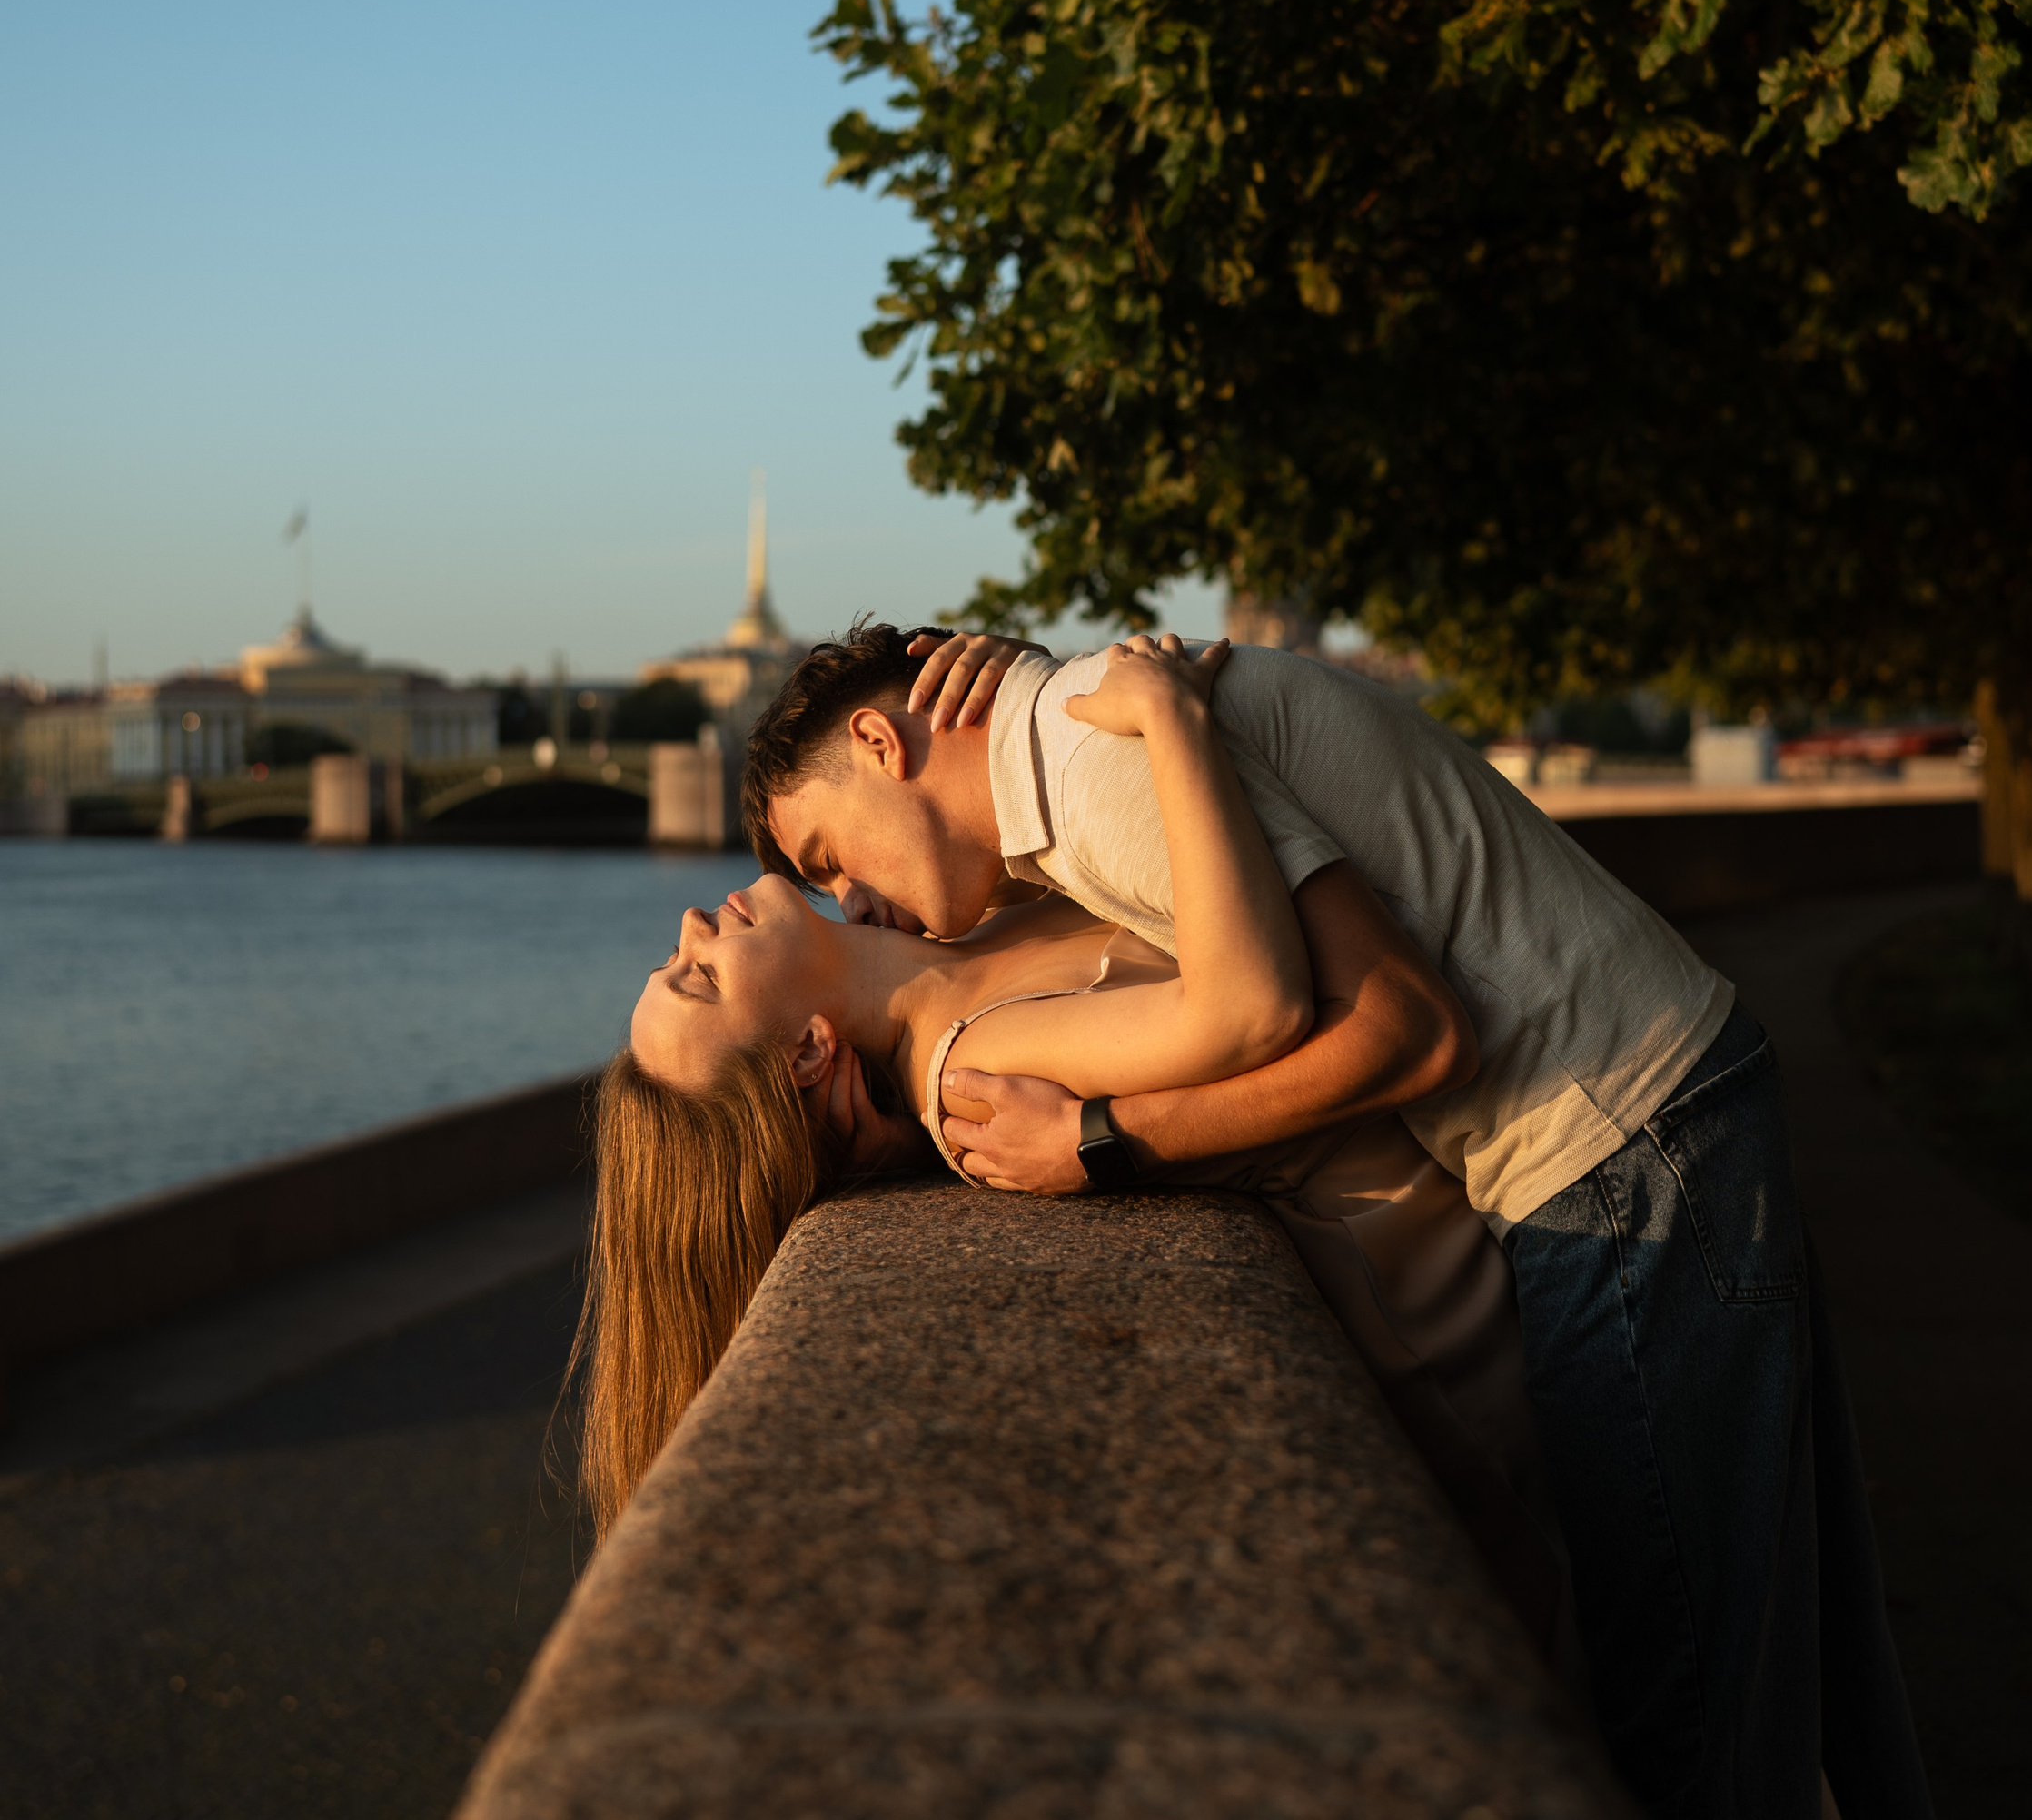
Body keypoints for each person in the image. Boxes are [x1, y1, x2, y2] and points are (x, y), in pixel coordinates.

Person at [750, 624, 1933, 1820]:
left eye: (827, 852)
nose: (851, 896)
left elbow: (1409, 1030)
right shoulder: (1086, 736)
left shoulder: (1097, 760)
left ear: (880, 740)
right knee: (1822, 1659)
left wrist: (1100, 1140)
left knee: (1687, 1710)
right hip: (1656, 1103)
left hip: (1614, 1140)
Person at [578, 635, 1578, 1687]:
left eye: (674, 958)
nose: (690, 924)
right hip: (1461, 1341)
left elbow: (1073, 829)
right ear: (806, 1053)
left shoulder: (953, 951)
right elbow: (1252, 1005)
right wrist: (1168, 718)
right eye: (698, 975)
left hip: (1506, 1226)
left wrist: (1027, 685)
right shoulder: (972, 1065)